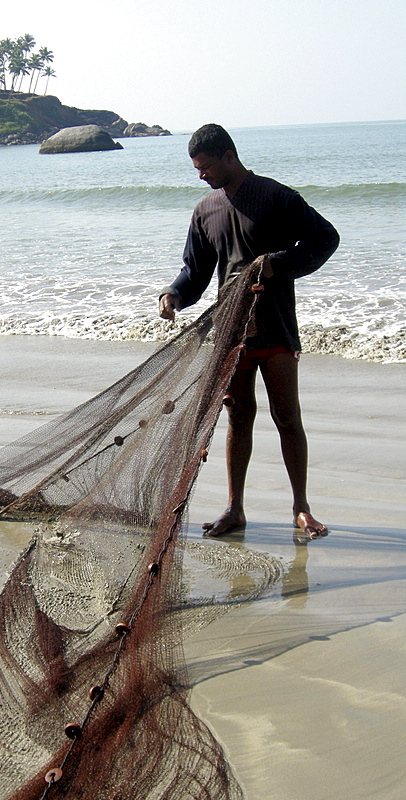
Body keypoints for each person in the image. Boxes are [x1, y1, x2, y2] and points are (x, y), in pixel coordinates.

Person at [159, 123, 339, 539]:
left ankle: (301, 508)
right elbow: (196, 271)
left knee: (286, 417)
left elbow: (324, 240)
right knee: (238, 418)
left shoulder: (277, 197)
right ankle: (235, 508)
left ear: (228, 156)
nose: (201, 174)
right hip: (231, 332)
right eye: (196, 169)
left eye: (205, 166)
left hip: (275, 327)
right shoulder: (205, 210)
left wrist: (278, 262)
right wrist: (174, 295)